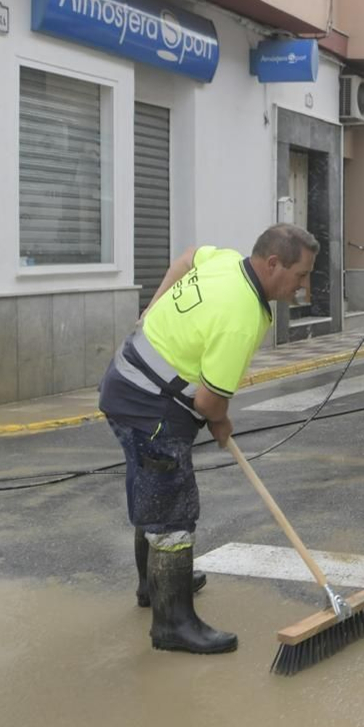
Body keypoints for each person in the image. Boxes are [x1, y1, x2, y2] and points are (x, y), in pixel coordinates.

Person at [98, 224, 318, 654]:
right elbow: (208, 401)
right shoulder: (241, 317)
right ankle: (173, 624)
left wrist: (153, 307)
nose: (303, 286)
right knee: (173, 510)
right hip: (150, 408)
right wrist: (221, 422)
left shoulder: (226, 262)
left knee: (151, 494)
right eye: (300, 275)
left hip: (123, 384)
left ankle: (154, 584)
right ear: (273, 264)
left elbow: (187, 256)